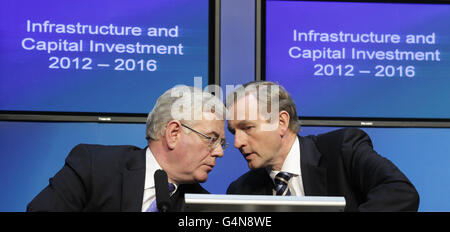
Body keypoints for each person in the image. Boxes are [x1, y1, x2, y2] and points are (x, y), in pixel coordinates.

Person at [226, 81, 419, 211]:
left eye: (247, 127)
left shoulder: (343, 150)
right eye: (234, 132)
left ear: (281, 122)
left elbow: (400, 192)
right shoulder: (241, 191)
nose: (237, 143)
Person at [27, 85, 227, 212]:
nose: (219, 152)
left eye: (221, 143)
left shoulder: (201, 208)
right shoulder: (94, 167)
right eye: (211, 139)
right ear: (173, 133)